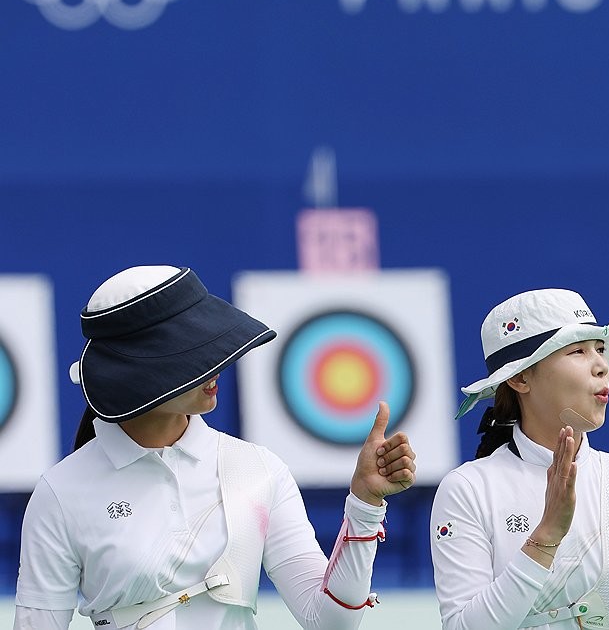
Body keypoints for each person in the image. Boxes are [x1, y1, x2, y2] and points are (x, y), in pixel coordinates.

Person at [14, 265, 417, 629]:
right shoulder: (61, 493)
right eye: (193, 354)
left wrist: (365, 505)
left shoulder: (258, 468)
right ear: (141, 369)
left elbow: (330, 621)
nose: (217, 366)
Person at [430, 288, 609, 630]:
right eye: (578, 351)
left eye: (600, 349)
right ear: (521, 378)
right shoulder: (468, 488)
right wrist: (546, 535)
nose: (601, 366)